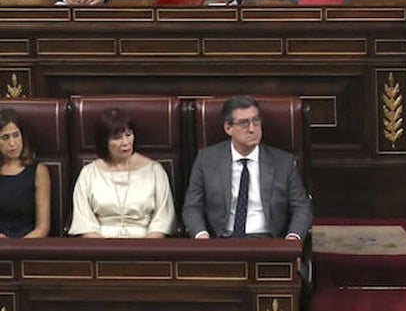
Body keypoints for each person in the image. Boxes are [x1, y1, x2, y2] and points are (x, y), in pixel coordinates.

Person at [182, 95, 312, 240]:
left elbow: (301, 207)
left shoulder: (283, 162)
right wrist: (201, 235)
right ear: (228, 128)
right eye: (244, 123)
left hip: (269, 241)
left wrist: (293, 238)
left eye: (256, 121)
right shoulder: (206, 159)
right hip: (221, 241)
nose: (252, 129)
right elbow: (192, 206)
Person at [69, 108, 175, 238]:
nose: (125, 142)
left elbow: (163, 220)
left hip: (147, 244)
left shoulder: (155, 171)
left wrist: (145, 251)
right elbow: (84, 221)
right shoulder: (89, 173)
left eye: (128, 134)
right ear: (104, 142)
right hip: (99, 246)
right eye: (117, 138)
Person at [0, 109, 50, 238]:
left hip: (28, 247)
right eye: (5, 137)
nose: (12, 143)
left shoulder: (38, 171)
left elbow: (42, 228)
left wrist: (17, 248)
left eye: (16, 135)